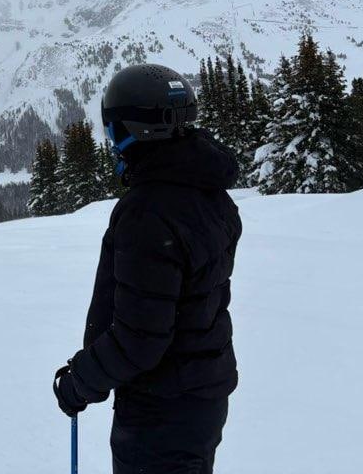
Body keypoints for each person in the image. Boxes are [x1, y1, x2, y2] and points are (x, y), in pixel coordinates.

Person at [52, 63, 242, 474]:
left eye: (113, 131)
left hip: (162, 410)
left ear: (134, 131)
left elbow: (140, 339)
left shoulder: (149, 214)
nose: (112, 144)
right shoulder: (209, 194)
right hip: (201, 396)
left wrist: (80, 381)